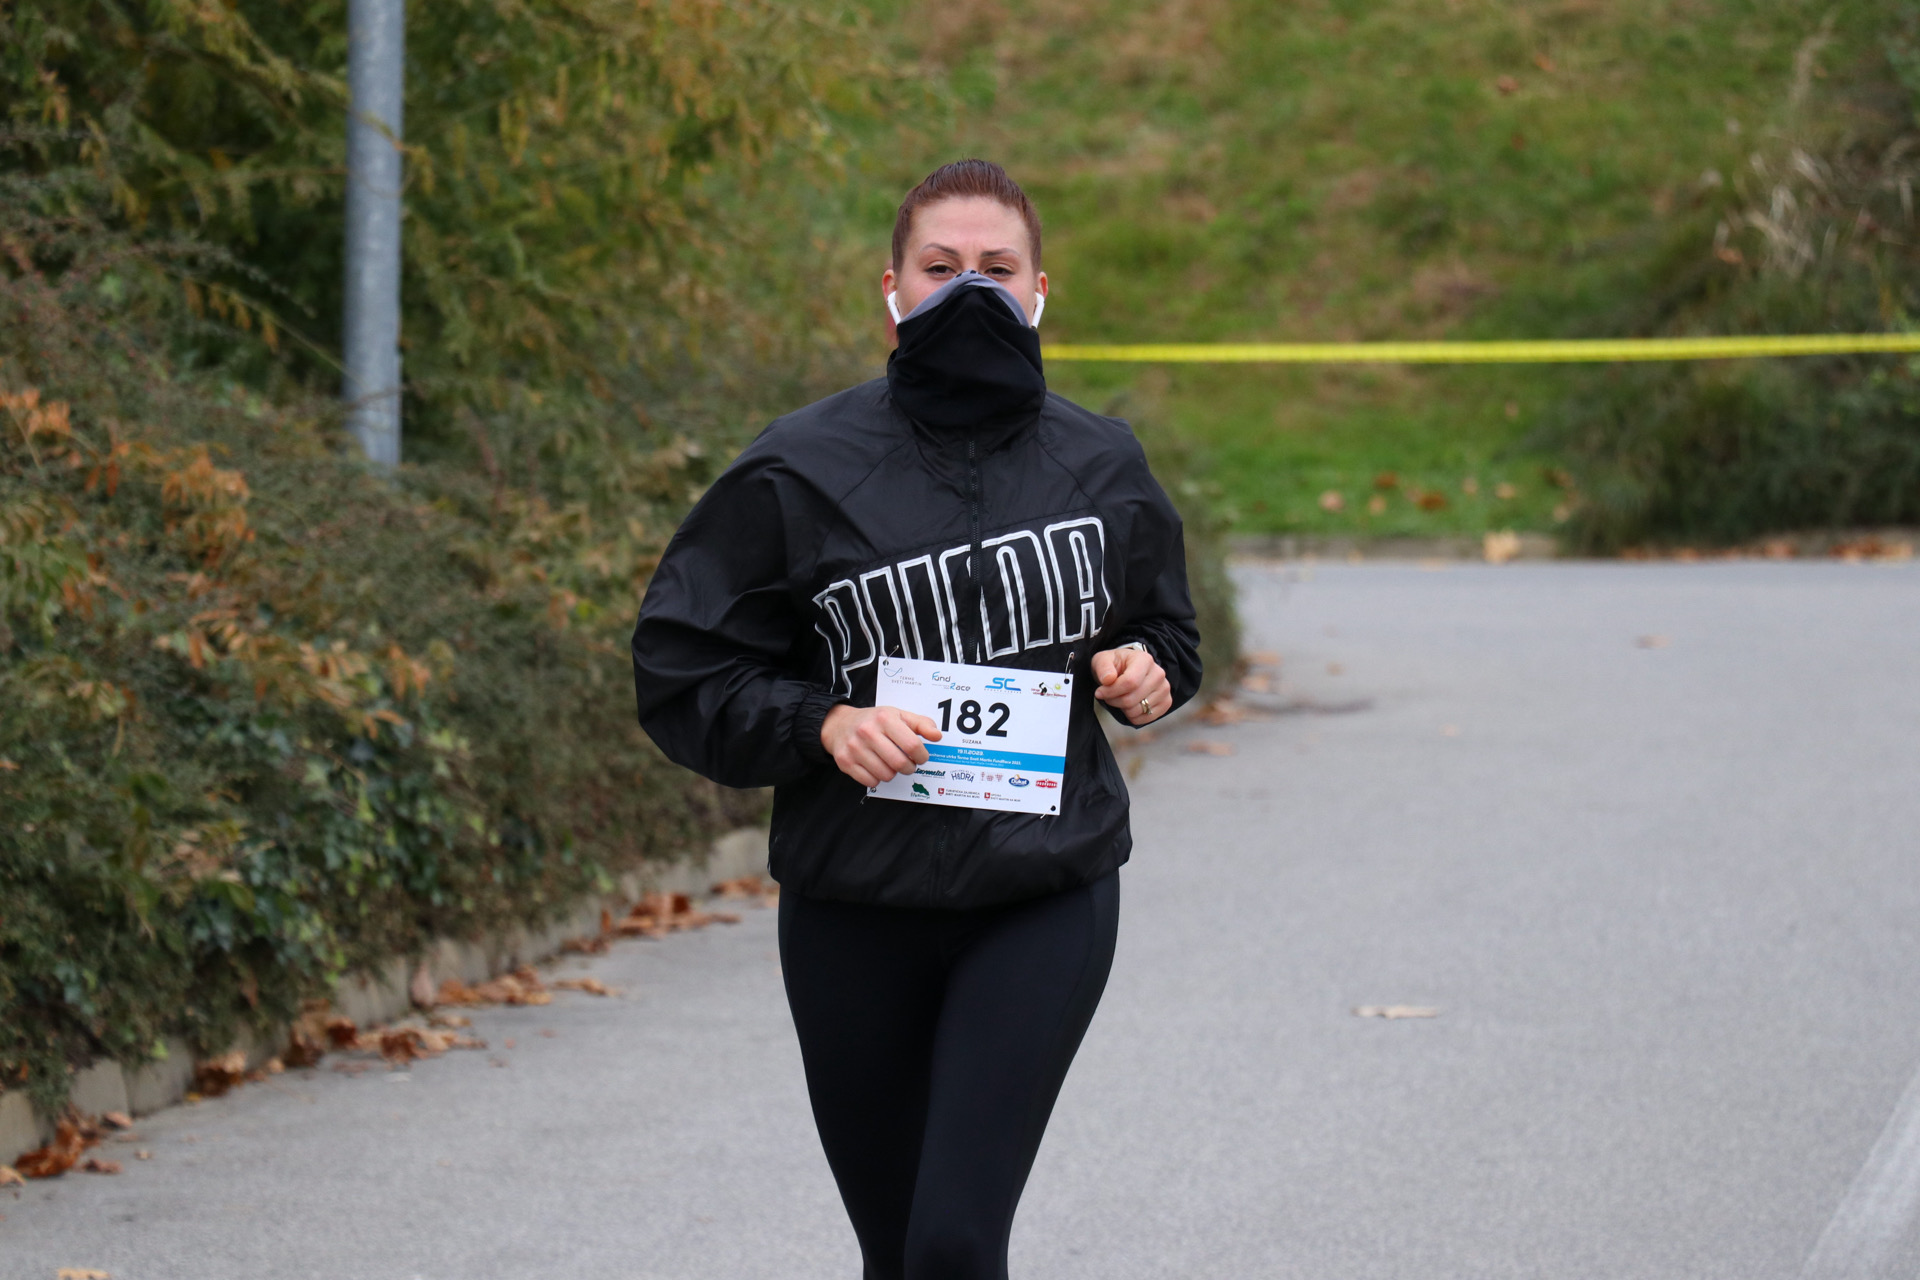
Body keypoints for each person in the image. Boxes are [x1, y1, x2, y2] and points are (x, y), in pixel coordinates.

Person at [631, 159, 1202, 1280]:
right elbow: (682, 664)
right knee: (896, 1252)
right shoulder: (798, 466)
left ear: (1043, 290)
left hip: (1042, 891)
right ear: (889, 289)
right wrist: (820, 723)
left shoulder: (1102, 461)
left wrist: (1148, 673)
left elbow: (1167, 635)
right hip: (852, 904)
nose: (970, 293)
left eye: (997, 269)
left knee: (952, 1241)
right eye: (941, 269)